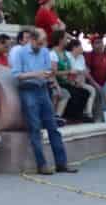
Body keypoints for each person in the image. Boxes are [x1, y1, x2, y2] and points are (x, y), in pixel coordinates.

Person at [12, 27, 77, 176]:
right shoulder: (20, 53)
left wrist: (52, 79)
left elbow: (49, 71)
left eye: (43, 43)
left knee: (53, 127)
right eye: (39, 43)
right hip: (28, 90)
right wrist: (37, 74)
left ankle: (61, 163)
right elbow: (17, 75)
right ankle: (42, 165)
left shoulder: (45, 52)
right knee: (35, 128)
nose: (42, 46)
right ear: (32, 40)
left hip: (43, 89)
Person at [53, 31, 93, 124]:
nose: (67, 41)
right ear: (60, 40)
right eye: (66, 39)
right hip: (60, 82)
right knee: (75, 93)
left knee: (85, 92)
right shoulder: (53, 53)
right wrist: (69, 73)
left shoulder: (65, 54)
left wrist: (74, 80)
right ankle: (69, 117)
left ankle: (77, 117)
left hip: (68, 82)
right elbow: (53, 73)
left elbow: (72, 72)